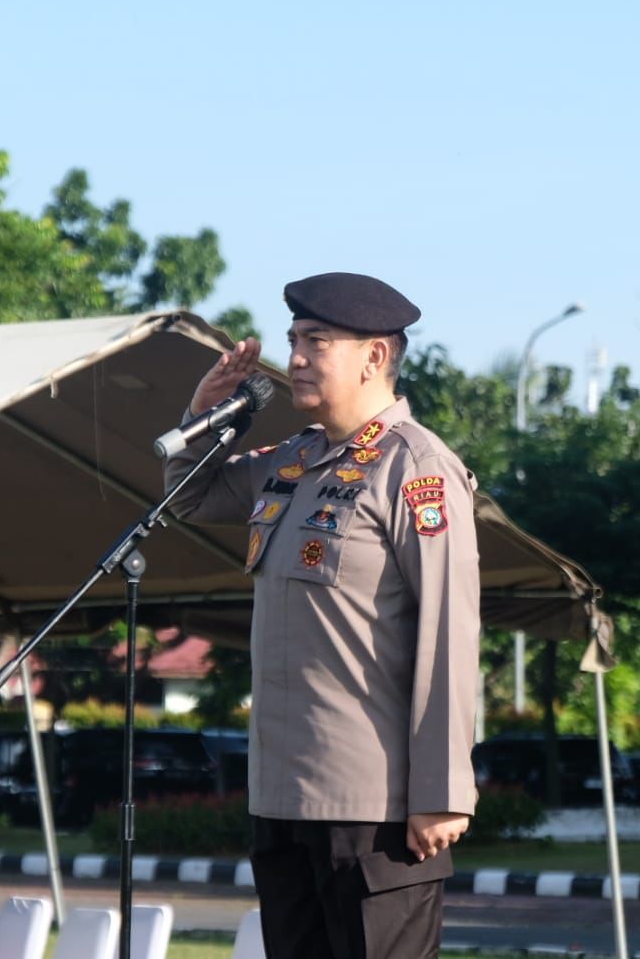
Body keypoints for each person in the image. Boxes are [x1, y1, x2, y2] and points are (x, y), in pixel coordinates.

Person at [164, 272, 481, 959]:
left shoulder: (417, 470)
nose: (296, 358)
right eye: (293, 340)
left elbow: (450, 634)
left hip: (374, 804)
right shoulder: (293, 463)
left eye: (317, 341)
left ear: (375, 356)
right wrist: (202, 414)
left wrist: (443, 790)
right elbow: (190, 499)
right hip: (282, 795)